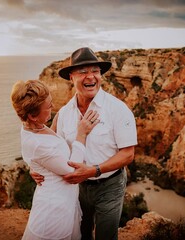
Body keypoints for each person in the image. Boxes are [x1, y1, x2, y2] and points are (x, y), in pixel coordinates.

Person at [32, 47, 138, 240]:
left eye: (95, 71)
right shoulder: (64, 113)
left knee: (106, 235)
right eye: (83, 72)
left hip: (109, 185)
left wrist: (94, 170)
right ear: (71, 77)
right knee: (81, 233)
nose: (91, 77)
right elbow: (50, 148)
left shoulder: (118, 109)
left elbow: (128, 154)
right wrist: (35, 168)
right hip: (76, 187)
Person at [10, 79, 100, 240]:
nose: (53, 109)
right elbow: (73, 171)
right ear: (32, 116)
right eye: (49, 107)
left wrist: (36, 164)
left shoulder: (31, 127)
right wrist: (81, 134)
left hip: (63, 200)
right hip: (54, 211)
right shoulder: (37, 143)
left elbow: (43, 150)